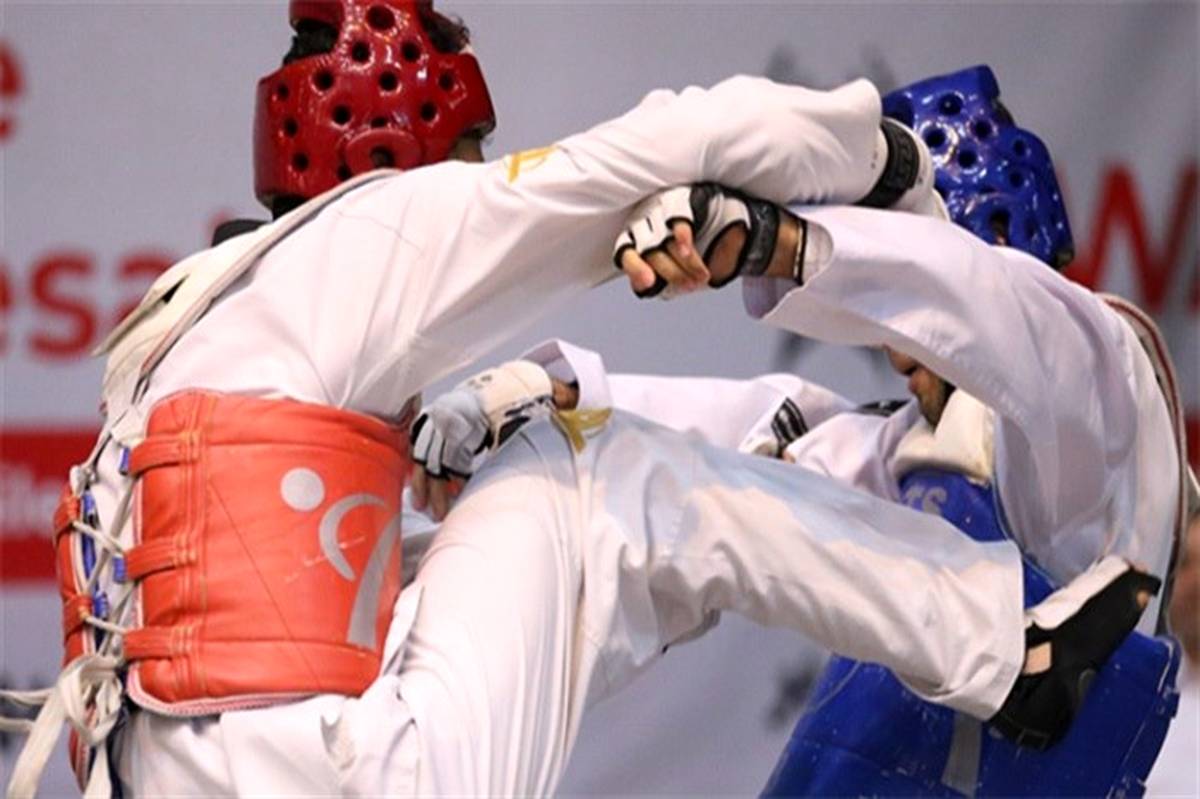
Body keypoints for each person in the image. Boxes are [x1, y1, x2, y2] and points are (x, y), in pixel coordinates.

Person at [2, 7, 1155, 794]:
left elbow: (787, 437)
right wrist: (884, 164)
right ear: (428, 154)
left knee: (566, 480)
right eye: (472, 154)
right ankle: (1006, 651)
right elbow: (674, 144)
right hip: (336, 771)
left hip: (185, 769)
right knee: (599, 476)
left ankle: (1000, 645)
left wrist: (532, 389)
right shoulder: (375, 239)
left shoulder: (183, 333)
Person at [610, 65, 1189, 795]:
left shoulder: (1096, 397)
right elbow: (747, 438)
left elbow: (991, 306)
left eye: (894, 254)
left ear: (991, 237)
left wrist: (781, 244)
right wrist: (554, 396)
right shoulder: (921, 446)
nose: (892, 350)